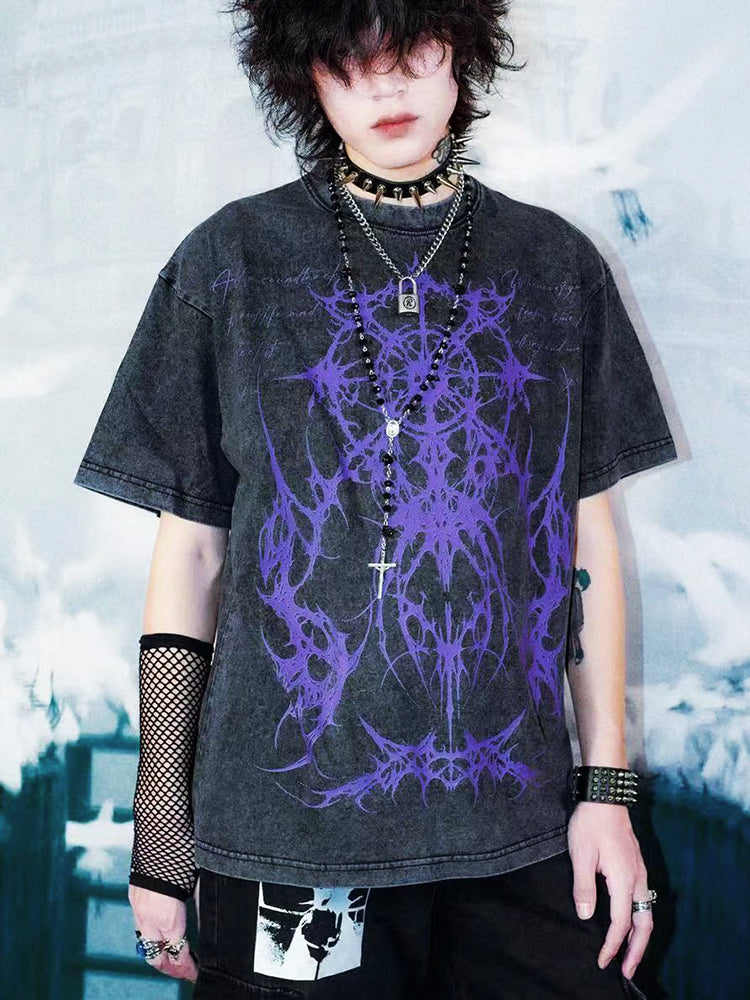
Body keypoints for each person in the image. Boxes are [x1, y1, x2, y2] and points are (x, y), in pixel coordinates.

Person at [73, 2, 678, 997]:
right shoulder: (233, 260)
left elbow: (585, 540)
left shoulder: (554, 266)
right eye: (348, 58)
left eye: (413, 47)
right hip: (289, 844)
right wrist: (163, 831)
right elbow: (191, 552)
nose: (386, 82)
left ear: (462, 47)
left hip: (520, 832)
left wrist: (605, 791)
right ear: (304, 75)